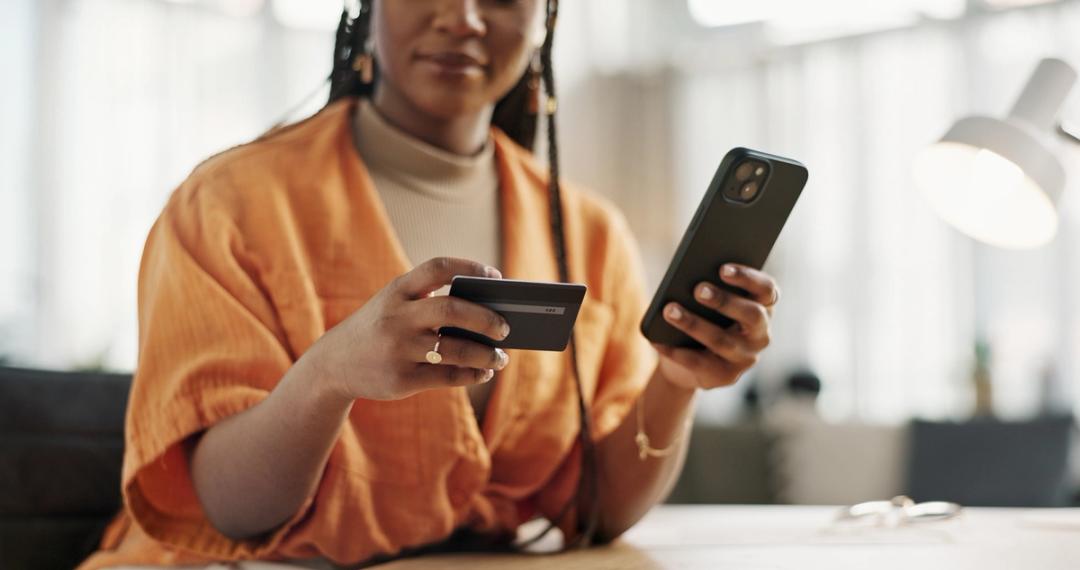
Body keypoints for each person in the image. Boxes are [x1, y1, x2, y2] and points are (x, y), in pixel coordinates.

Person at [79, 0, 780, 567]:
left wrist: (678, 380)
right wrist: (327, 376)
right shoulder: (226, 202)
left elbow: (595, 514)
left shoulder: (588, 229)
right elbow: (232, 512)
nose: (464, 16)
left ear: (546, 19)